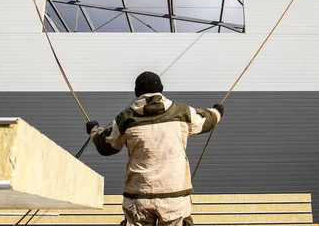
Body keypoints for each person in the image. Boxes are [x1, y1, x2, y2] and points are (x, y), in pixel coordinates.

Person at [85, 71, 224, 226]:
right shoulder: (182, 112)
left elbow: (105, 146)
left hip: (138, 198)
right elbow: (207, 120)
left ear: (137, 92)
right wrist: (217, 111)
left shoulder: (125, 119)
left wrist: (93, 130)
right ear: (161, 89)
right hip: (175, 198)